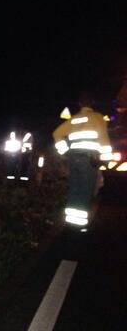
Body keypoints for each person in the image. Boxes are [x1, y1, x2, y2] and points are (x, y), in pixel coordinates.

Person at [52, 93, 111, 230]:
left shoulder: (74, 119)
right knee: (85, 190)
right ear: (92, 103)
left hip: (73, 158)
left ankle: (70, 222)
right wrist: (106, 159)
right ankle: (80, 226)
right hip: (89, 159)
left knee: (74, 188)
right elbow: (104, 139)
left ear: (79, 104)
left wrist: (64, 151)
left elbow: (56, 133)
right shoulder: (97, 117)